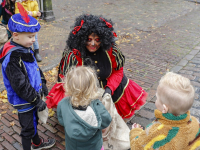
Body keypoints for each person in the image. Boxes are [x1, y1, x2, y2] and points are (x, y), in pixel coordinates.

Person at [47, 14, 148, 121]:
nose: (93, 44)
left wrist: (109, 89)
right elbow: (67, 83)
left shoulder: (111, 50)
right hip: (83, 93)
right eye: (89, 39)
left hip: (110, 89)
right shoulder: (73, 55)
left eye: (98, 39)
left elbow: (118, 71)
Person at [0, 3, 55, 150]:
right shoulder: (13, 58)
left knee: (34, 121)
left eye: (34, 36)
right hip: (24, 100)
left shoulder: (25, 47)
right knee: (27, 129)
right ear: (16, 35)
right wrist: (37, 100)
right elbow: (20, 85)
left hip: (32, 97)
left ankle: (36, 143)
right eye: (30, 37)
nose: (33, 40)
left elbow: (35, 68)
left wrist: (42, 82)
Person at [130, 72, 200, 150]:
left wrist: (135, 131)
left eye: (157, 98)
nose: (155, 100)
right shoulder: (195, 123)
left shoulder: (155, 131)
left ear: (164, 109)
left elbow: (137, 146)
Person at [57, 66, 112, 150]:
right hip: (94, 146)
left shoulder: (62, 104)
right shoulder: (97, 107)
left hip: (72, 146)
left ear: (68, 86)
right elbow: (105, 126)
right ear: (92, 88)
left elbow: (62, 120)